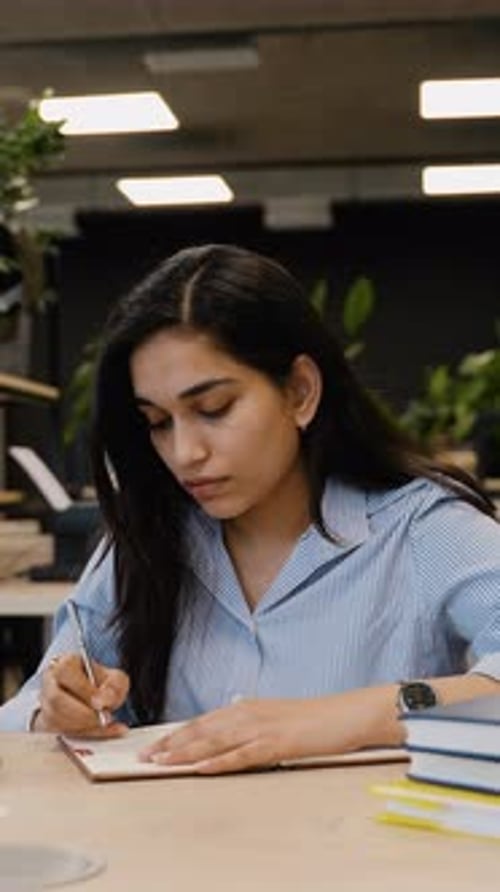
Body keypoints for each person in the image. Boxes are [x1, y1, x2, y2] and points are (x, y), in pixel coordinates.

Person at [1, 243, 500, 775]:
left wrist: (347, 717)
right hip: (175, 830)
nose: (184, 453)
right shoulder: (146, 539)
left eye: (214, 409)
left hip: (364, 830)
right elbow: (22, 716)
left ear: (300, 392)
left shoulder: (421, 527)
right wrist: (57, 710)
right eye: (158, 422)